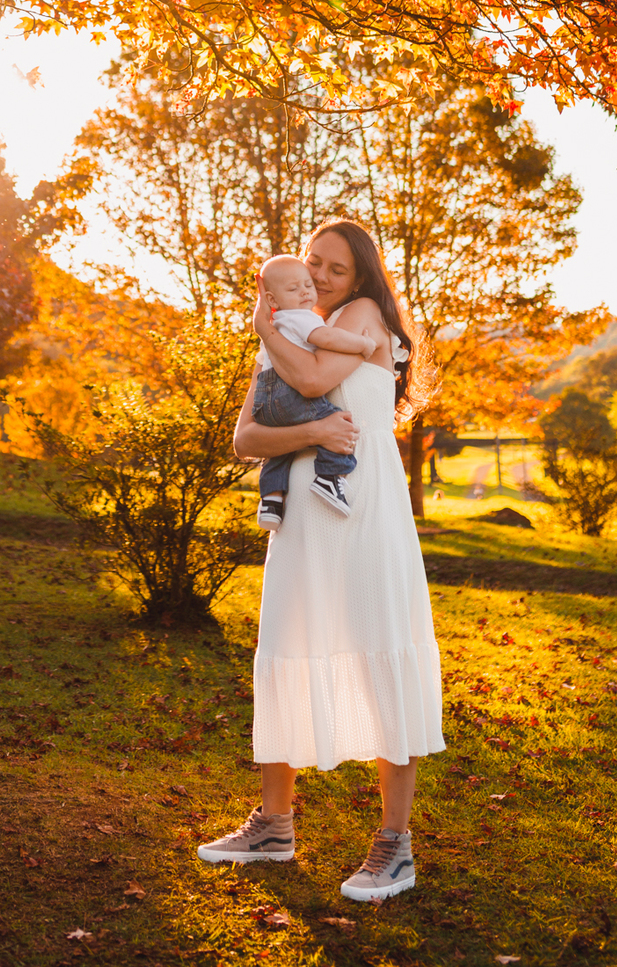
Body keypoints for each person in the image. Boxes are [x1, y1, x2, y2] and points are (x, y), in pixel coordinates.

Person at [198, 221, 444, 902]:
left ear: (360, 277)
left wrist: (264, 327)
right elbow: (246, 438)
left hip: (365, 520)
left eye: (336, 267)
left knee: (378, 652)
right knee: (284, 649)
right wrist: (306, 425)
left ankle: (395, 848)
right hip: (302, 528)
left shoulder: (360, 320)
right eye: (313, 262)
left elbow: (309, 376)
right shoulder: (293, 328)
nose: (323, 275)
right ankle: (274, 826)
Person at [252, 254, 376, 528]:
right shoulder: (300, 318)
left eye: (306, 285)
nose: (309, 289)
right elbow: (326, 338)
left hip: (266, 401)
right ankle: (330, 477)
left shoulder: (277, 324)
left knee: (279, 450)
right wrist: (363, 345)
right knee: (336, 420)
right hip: (288, 394)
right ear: (271, 299)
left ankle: (271, 499)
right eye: (294, 289)